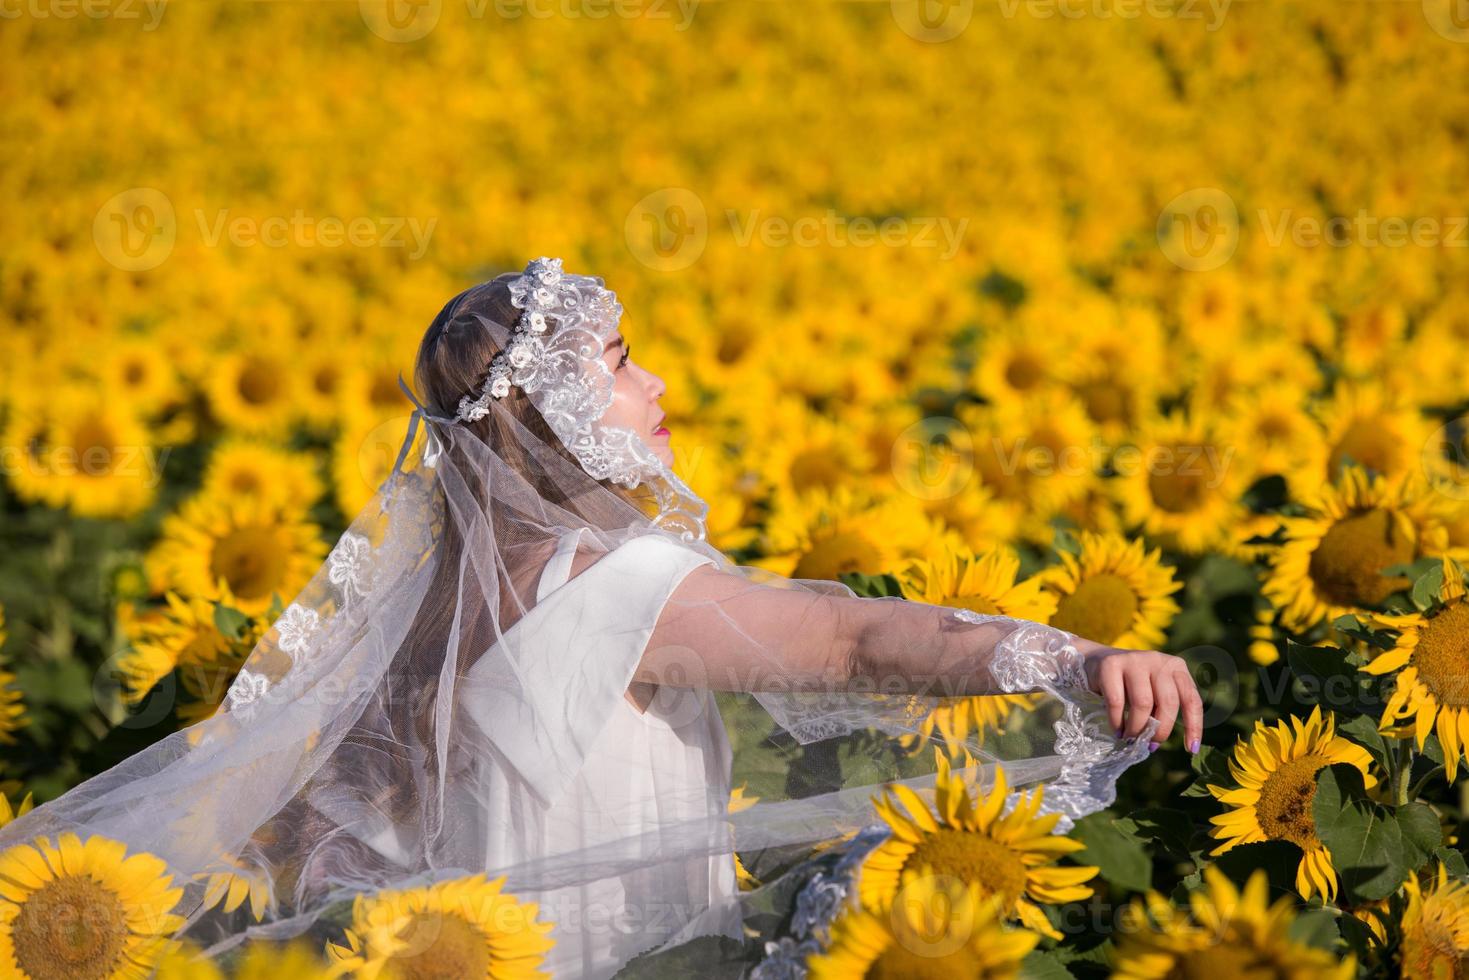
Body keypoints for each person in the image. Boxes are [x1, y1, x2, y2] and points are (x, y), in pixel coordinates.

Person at [0, 257, 1202, 980]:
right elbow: (848, 641)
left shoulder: (434, 600)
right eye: (622, 363)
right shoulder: (616, 586)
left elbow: (329, 820)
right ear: (558, 411)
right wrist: (1078, 653)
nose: (656, 384)